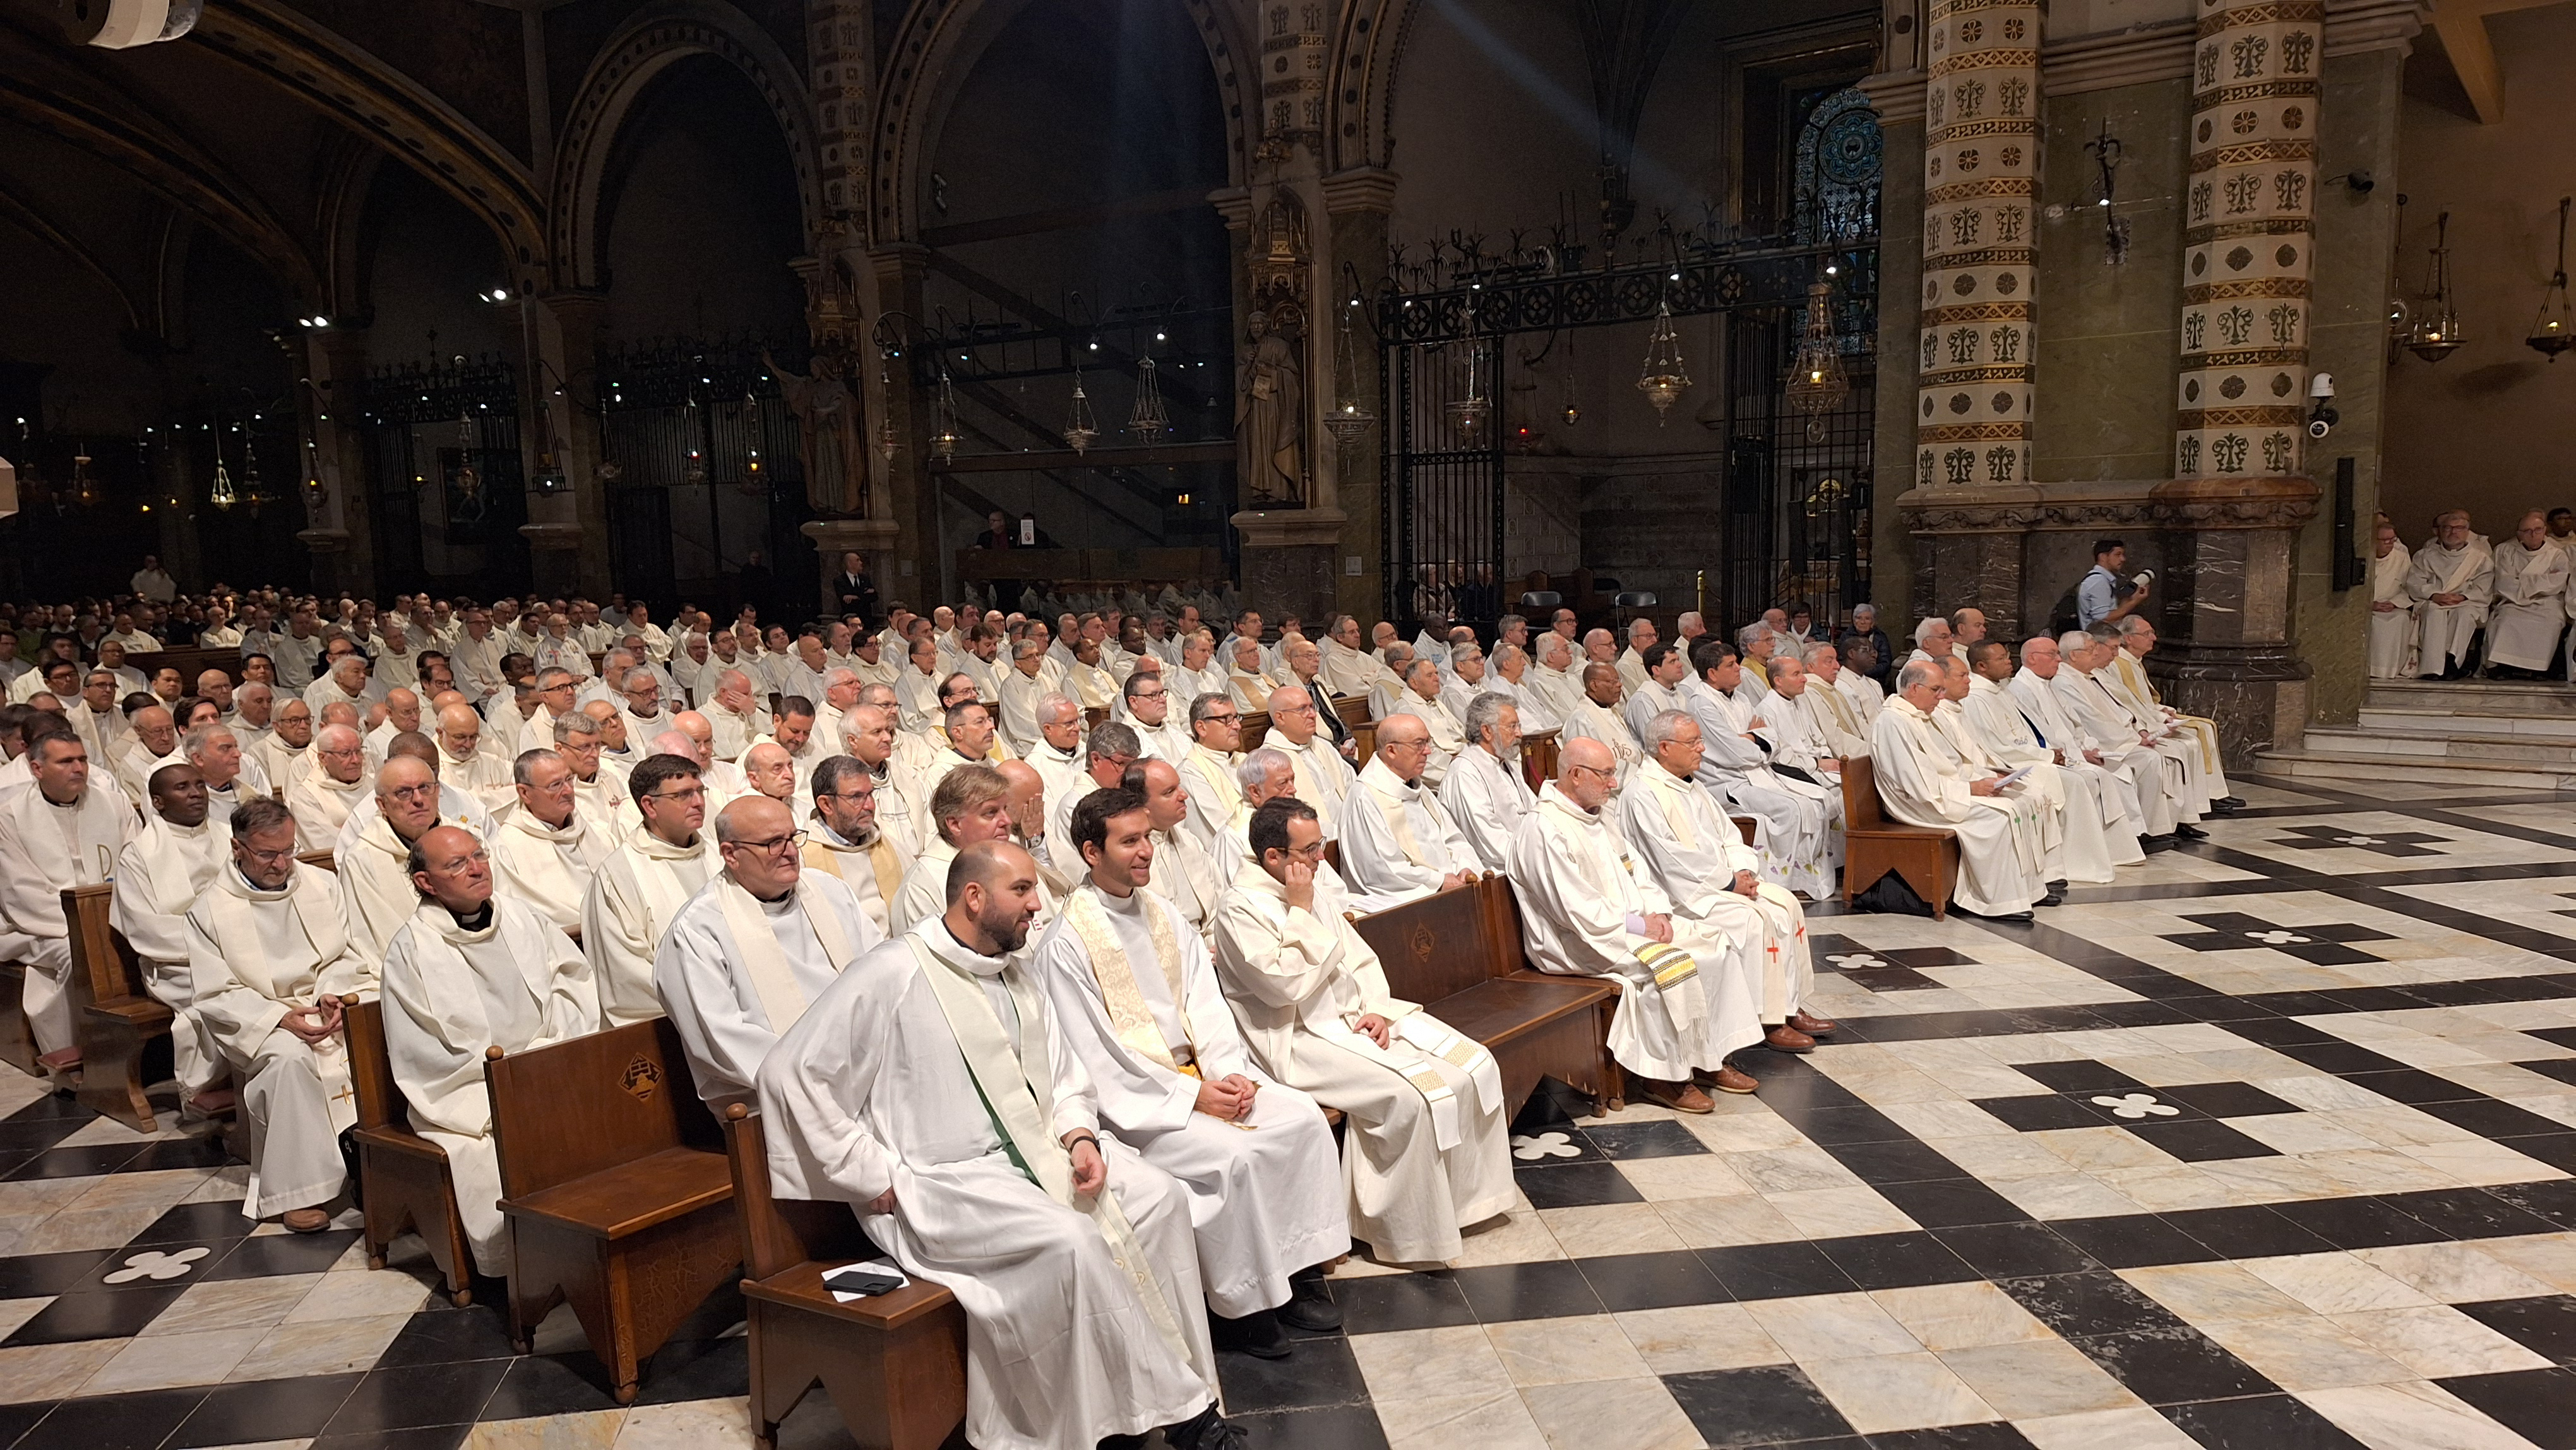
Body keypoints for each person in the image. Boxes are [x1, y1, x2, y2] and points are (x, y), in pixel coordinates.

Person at [756, 840, 1247, 1450]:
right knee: (1072, 1242)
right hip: (944, 1180)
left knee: (1161, 1200)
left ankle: (1155, 1400)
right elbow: (790, 1073)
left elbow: (1065, 1072)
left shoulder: (1018, 970)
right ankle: (1174, 1420)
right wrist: (863, 1171)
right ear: (974, 896)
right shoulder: (892, 972)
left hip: (1038, 1151)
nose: (1038, 905)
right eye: (1022, 890)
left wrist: (1080, 1135)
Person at [1034, 789, 1347, 1357]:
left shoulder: (1163, 914)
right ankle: (1244, 1310)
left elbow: (1206, 1003)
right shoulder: (1066, 942)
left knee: (1301, 1118)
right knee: (1237, 1158)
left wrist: (1230, 1072)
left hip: (1206, 1075)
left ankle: (1297, 1275)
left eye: (1147, 837)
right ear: (1089, 851)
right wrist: (1192, 1095)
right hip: (1141, 1102)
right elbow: (1094, 1051)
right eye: (1129, 841)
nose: (1146, 852)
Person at [380, 825, 596, 1275]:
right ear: (425, 883)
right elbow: (421, 1048)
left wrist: (547, 1052)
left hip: (548, 1065)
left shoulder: (522, 918)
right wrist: (507, 1080)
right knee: (485, 1152)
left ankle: (597, 1246)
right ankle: (528, 1267)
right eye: (457, 864)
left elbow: (573, 982)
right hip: (468, 1093)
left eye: (479, 855)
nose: (477, 868)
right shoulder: (411, 951)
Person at [1509, 738, 1760, 1109]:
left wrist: (1659, 914)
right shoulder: (1544, 829)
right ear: (1576, 775)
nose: (1614, 784)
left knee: (1717, 945)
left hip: (1628, 926)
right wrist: (1642, 927)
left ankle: (1708, 1058)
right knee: (1676, 964)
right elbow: (1575, 909)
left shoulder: (1599, 815)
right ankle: (1663, 1077)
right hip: (1577, 942)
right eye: (1606, 774)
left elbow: (1637, 872)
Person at [184, 798, 364, 1231]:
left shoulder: (321, 885)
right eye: (268, 854)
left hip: (324, 1005)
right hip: (259, 1019)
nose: (283, 863)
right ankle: (301, 1191)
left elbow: (348, 952)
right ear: (237, 848)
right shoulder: (209, 909)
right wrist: (279, 1019)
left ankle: (381, 1163)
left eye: (289, 850)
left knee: (378, 1032)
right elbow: (215, 992)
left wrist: (332, 994)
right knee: (289, 1060)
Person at [1621, 712, 1832, 1053]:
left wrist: (1743, 871)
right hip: (1683, 895)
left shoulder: (1692, 784)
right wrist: (1729, 882)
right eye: (1692, 743)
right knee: (1754, 919)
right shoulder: (1643, 793)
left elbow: (1728, 834)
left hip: (1720, 883)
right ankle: (1766, 1018)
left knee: (1786, 905)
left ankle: (1789, 1005)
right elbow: (1671, 859)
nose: (1702, 748)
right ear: (1664, 748)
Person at [657, 796, 885, 1109]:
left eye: (793, 838)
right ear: (730, 854)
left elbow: (879, 974)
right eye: (774, 843)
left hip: (867, 1071)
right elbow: (721, 1038)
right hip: (771, 1101)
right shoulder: (698, 930)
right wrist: (822, 1074)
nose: (791, 852)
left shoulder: (830, 892)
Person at [1871, 661, 2050, 919]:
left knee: (2023, 800)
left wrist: (1988, 779)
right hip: (1918, 804)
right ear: (1913, 688)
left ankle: (2025, 893)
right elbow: (1916, 784)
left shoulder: (1920, 715)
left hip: (1943, 792)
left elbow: (1952, 764)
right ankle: (1993, 901)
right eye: (1936, 690)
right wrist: (1970, 789)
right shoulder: (1894, 722)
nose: (1941, 697)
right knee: (1999, 816)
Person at [0, 725, 136, 1064]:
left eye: (83, 760)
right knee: (77, 953)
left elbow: (137, 865)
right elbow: (20, 891)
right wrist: (85, 927)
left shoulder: (115, 805)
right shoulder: (10, 817)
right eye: (66, 762)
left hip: (116, 914)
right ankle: (83, 1053)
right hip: (39, 926)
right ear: (37, 768)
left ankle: (147, 1050)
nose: (78, 768)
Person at [1962, 641, 2142, 875]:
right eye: (2001, 659)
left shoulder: (1999, 691)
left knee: (2092, 777)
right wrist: (2046, 755)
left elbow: (2028, 731)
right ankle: (2077, 863)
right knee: (2077, 782)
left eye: (2007, 657)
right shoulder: (1977, 698)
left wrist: (2049, 751)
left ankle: (2102, 854)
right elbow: (1996, 746)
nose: (2009, 662)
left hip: (2031, 757)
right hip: (2012, 765)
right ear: (1982, 666)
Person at [114, 762, 230, 1108]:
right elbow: (145, 925)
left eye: (200, 784)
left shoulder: (231, 836)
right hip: (176, 963)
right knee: (222, 995)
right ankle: (209, 1091)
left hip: (241, 949)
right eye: (182, 787)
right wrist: (216, 947)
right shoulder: (139, 854)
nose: (196, 793)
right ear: (158, 802)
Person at [1679, 643, 1835, 898]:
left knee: (1813, 805)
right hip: (1727, 783)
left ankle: (1806, 880)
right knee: (1792, 810)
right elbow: (1734, 753)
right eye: (1730, 665)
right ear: (1712, 673)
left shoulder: (1740, 697)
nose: (1739, 668)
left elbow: (1773, 740)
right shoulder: (1702, 704)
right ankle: (1778, 884)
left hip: (1757, 774)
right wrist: (1755, 738)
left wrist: (1750, 738)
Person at [581, 752, 723, 1025]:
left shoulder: (718, 853)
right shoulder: (618, 876)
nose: (699, 802)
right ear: (650, 806)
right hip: (677, 1022)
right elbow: (627, 971)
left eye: (700, 791)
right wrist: (710, 999)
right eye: (683, 795)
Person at [1338, 713, 1479, 913]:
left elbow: (1454, 840)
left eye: (1427, 742)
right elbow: (1382, 872)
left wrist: (1464, 869)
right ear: (1392, 750)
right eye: (1419, 744)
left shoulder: (1419, 788)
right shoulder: (1365, 797)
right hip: (1407, 905)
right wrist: (1439, 881)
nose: (1428, 751)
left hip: (1450, 888)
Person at [489, 749, 614, 940]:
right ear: (525, 792)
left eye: (569, 780)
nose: (569, 791)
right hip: (561, 944)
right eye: (555, 785)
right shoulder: (506, 847)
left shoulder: (596, 831)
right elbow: (513, 918)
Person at [801, 755, 908, 933]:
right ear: (826, 805)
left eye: (871, 794)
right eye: (857, 797)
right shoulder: (803, 857)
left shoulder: (889, 846)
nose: (870, 806)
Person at [1441, 692, 1535, 872]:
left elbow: (1534, 811)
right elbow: (1491, 842)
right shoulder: (1465, 773)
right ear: (1487, 731)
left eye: (1519, 726)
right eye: (1512, 726)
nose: (1520, 734)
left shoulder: (1506, 762)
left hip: (1524, 856)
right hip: (1497, 871)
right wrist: (1538, 854)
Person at [1256, 684, 1354, 834]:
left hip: (1350, 831)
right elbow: (1286, 816)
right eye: (1302, 709)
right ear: (1280, 717)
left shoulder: (1324, 746)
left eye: (1312, 707)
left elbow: (1351, 786)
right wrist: (1340, 834)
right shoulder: (1269, 761)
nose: (1313, 714)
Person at [2407, 511, 2493, 678]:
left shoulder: (2480, 559)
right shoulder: (2425, 556)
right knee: (2434, 612)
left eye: (2459, 528)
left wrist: (2462, 597)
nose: (2453, 532)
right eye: (2448, 528)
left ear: (2467, 532)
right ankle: (2432, 668)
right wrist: (2434, 595)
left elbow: (2483, 587)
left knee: (2464, 613)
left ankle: (2452, 663)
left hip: (2467, 602)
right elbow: (2415, 582)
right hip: (2434, 601)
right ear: (2439, 531)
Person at [2484, 510, 2568, 678]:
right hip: (2513, 601)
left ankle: (2539, 668)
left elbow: (2557, 582)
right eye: (2527, 531)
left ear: (2544, 530)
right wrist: (2537, 582)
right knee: (2506, 618)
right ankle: (2505, 666)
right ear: (2519, 534)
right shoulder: (2506, 551)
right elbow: (2504, 582)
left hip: (2547, 602)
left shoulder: (2557, 554)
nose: (2533, 534)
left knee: (2552, 620)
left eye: (2537, 530)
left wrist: (2522, 582)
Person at [2369, 519, 2418, 678]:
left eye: (2393, 539)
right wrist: (2371, 604)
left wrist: (2394, 603)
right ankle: (2372, 669)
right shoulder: (2364, 557)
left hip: (2392, 606)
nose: (2389, 543)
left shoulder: (2402, 558)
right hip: (2369, 607)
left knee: (2402, 619)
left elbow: (2408, 587)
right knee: (2373, 623)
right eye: (2384, 540)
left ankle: (2391, 669)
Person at [2075, 537, 2149, 629]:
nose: (2123, 559)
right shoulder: (2098, 581)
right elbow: (2103, 619)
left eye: (2123, 555)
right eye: (2118, 555)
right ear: (2103, 557)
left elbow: (2113, 612)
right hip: (2100, 639)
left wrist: (2131, 599)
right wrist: (2134, 602)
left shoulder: (2103, 580)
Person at [832, 550, 879, 627]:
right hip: (849, 620)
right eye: (857, 560)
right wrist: (864, 594)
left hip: (866, 620)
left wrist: (856, 597)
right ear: (849, 564)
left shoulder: (865, 579)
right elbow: (845, 600)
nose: (861, 563)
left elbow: (874, 597)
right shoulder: (840, 580)